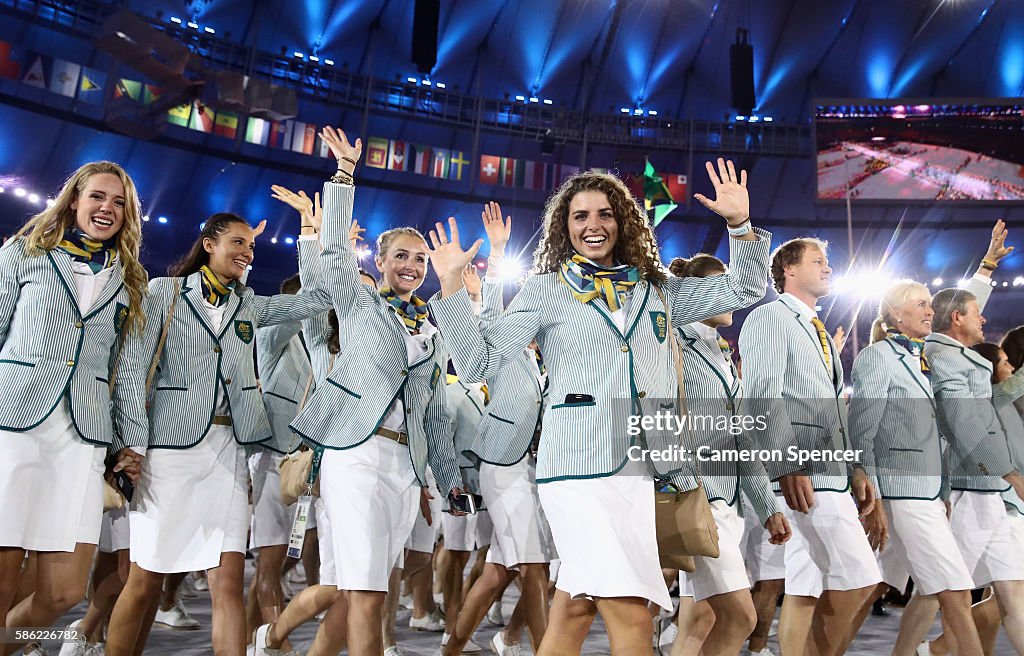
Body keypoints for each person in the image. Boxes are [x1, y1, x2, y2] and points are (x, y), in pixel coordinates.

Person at [425, 159, 771, 655]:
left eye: (605, 214)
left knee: (575, 607)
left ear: (623, 222)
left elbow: (742, 289)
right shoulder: (545, 291)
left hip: (642, 470)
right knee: (630, 609)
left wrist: (739, 225)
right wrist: (453, 286)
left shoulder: (654, 290)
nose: (593, 225)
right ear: (564, 227)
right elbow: (478, 364)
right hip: (577, 473)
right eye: (580, 216)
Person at [104, 208, 334, 656]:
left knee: (227, 580)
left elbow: (317, 297)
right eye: (238, 243)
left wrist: (311, 232)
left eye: (251, 246)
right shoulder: (164, 292)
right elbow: (132, 370)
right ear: (209, 243)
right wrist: (132, 444)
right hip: (166, 455)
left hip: (227, 454)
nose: (248, 253)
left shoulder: (247, 304)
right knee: (144, 578)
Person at [287, 126, 464, 656]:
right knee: (364, 593)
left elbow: (431, 415)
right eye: (401, 256)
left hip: (405, 468)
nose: (411, 266)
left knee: (361, 588)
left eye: (419, 259)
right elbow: (334, 258)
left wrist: (445, 482)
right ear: (381, 262)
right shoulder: (361, 306)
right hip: (356, 452)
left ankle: (271, 637)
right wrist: (345, 176)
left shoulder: (432, 331)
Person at [0, 161, 147, 656]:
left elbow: (125, 369)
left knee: (63, 592)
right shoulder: (25, 254)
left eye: (119, 202)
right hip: (14, 423)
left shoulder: (128, 279)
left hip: (83, 437)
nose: (108, 208)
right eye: (99, 198)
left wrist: (132, 443)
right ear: (74, 201)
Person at [739, 237, 881, 656]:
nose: (827, 268)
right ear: (789, 270)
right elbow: (762, 394)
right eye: (817, 260)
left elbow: (837, 409)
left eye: (827, 261)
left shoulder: (814, 326)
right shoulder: (769, 318)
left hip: (829, 469)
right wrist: (785, 463)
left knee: (805, 589)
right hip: (805, 473)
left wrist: (855, 466)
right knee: (860, 580)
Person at [442, 203, 556, 656]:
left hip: (531, 470)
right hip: (503, 465)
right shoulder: (505, 343)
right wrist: (497, 251)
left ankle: (455, 647)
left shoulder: (540, 358)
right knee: (534, 569)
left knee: (497, 572)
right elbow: (488, 319)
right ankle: (544, 648)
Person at [850, 279, 984, 656]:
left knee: (871, 588)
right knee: (955, 593)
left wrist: (942, 492)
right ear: (896, 313)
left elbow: (936, 436)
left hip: (924, 494)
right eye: (922, 304)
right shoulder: (878, 357)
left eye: (930, 305)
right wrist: (872, 498)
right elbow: (863, 431)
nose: (930, 311)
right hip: (901, 494)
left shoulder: (920, 360)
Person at [666, 254, 790, 656]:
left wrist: (766, 505)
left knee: (701, 619)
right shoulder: (673, 342)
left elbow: (741, 438)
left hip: (726, 498)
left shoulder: (718, 350)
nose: (734, 298)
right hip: (701, 496)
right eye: (723, 287)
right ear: (699, 294)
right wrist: (685, 480)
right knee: (740, 617)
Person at [924, 239, 1024, 655]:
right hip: (967, 490)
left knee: (1013, 593)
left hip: (991, 495)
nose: (984, 319)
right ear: (956, 320)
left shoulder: (959, 353)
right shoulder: (940, 352)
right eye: (975, 313)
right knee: (945, 593)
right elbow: (966, 424)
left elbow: (959, 309)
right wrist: (1012, 473)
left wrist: (985, 268)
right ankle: (920, 651)